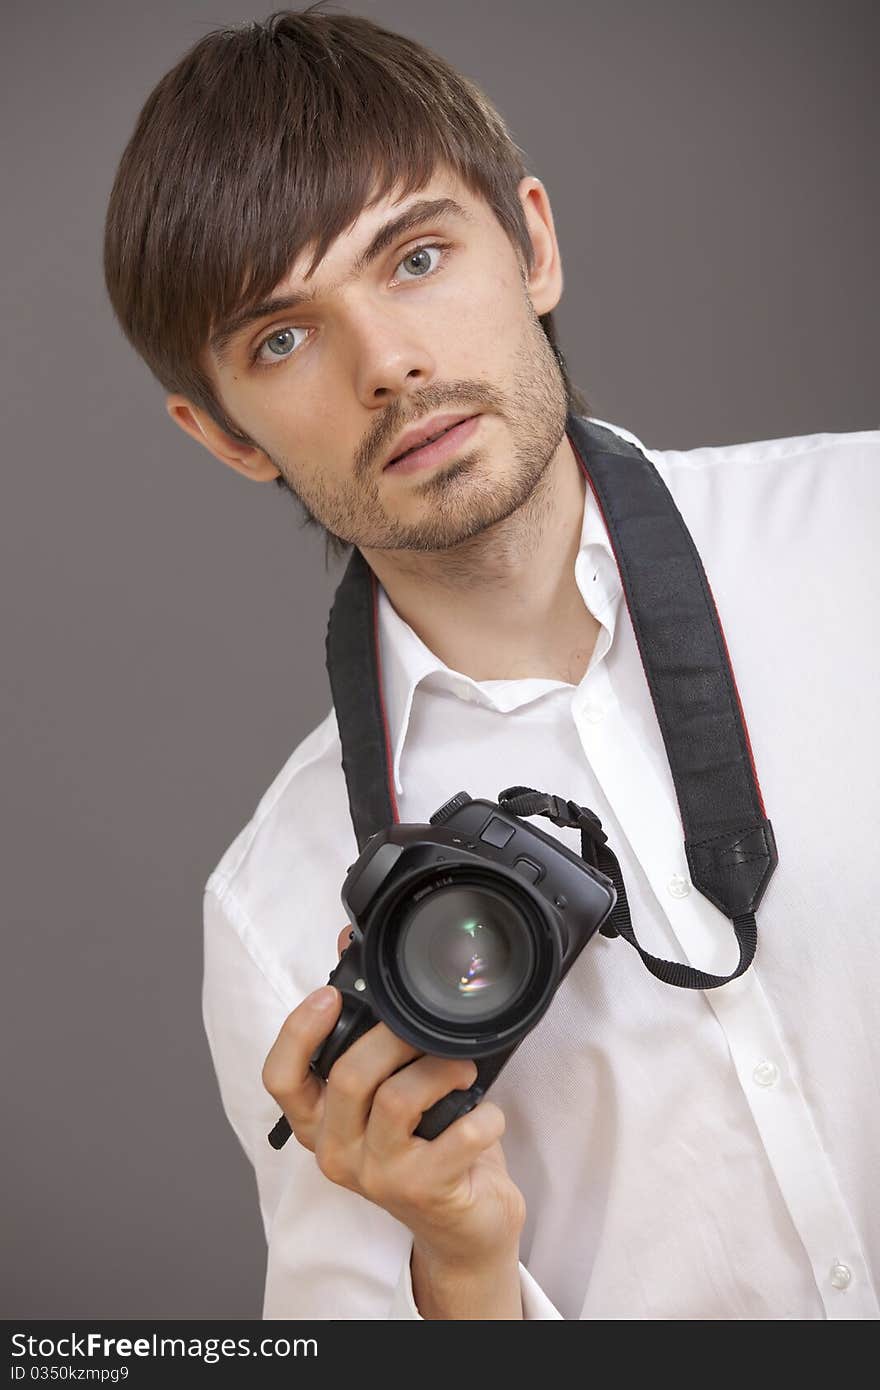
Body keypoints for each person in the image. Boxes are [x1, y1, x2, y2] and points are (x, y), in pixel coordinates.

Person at [102, 6, 880, 1320]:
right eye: (282, 338)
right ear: (224, 431)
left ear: (532, 243)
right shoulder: (271, 910)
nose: (389, 363)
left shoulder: (861, 527)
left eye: (414, 257)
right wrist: (456, 1259)